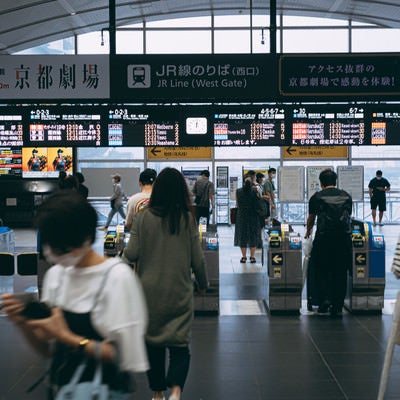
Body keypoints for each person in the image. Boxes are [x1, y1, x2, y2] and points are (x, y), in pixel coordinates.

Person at [1, 190, 149, 398]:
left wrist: (68, 337)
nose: (53, 253)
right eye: (49, 245)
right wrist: (24, 324)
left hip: (104, 391)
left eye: (61, 246)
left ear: (85, 238)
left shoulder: (117, 278)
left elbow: (127, 356)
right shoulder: (56, 276)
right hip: (63, 390)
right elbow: (50, 350)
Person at [122, 167, 208, 400]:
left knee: (153, 346)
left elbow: (131, 253)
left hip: (148, 293)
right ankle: (176, 390)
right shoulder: (186, 219)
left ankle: (158, 393)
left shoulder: (143, 218)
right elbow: (197, 259)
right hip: (179, 291)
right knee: (180, 346)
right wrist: (203, 283)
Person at [304, 169, 353, 317]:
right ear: (335, 181)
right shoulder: (346, 196)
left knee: (322, 269)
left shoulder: (317, 197)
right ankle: (337, 305)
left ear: (321, 182)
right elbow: (348, 216)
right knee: (340, 271)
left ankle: (324, 300)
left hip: (323, 238)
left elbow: (311, 218)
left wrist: (308, 232)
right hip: (343, 239)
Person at [234, 173, 260, 264]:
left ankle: (244, 257)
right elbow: (258, 203)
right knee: (253, 235)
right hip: (253, 216)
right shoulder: (254, 191)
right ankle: (252, 257)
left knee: (242, 235)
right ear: (251, 182)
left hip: (242, 216)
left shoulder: (238, 191)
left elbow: (237, 204)